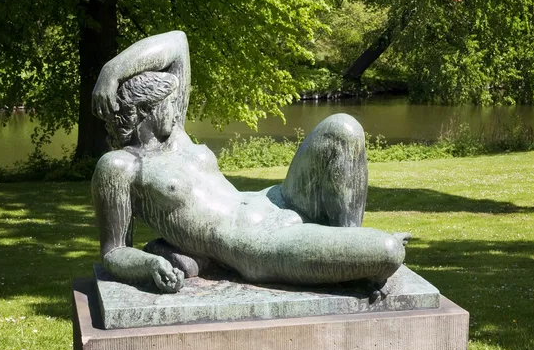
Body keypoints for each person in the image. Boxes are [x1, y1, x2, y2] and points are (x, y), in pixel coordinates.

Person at [91, 31, 409, 294]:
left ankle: (349, 255)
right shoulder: (120, 167)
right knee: (388, 250)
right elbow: (114, 252)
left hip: (277, 201)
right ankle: (359, 260)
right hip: (259, 244)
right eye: (169, 104)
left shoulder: (176, 136)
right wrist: (149, 264)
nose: (177, 109)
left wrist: (112, 71)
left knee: (342, 128)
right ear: (146, 111)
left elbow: (178, 42)